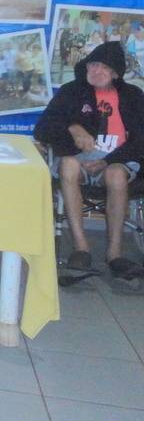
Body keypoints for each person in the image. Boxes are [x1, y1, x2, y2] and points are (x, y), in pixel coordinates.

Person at [34, 42, 144, 278]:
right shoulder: (71, 92)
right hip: (79, 159)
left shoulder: (133, 96)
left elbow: (140, 139)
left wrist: (107, 161)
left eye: (104, 68)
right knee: (68, 165)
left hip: (117, 162)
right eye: (93, 65)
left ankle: (115, 254)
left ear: (116, 74)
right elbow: (43, 129)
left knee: (116, 175)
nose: (96, 71)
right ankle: (81, 249)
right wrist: (72, 127)